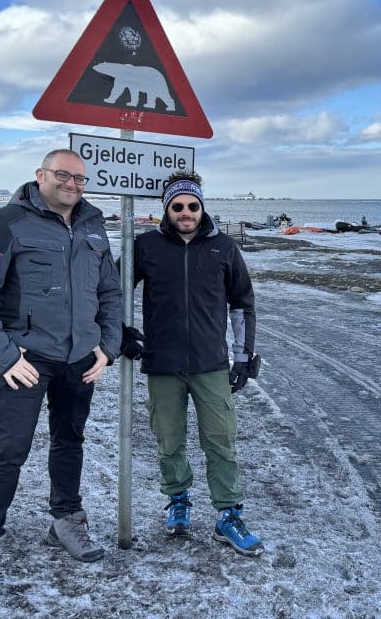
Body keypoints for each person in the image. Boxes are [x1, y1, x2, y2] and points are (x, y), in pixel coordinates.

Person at [0, 149, 122, 603]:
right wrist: (5, 358)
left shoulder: (93, 225)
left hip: (80, 359)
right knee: (9, 451)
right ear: (40, 175)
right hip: (25, 360)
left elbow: (109, 291)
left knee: (71, 442)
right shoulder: (3, 222)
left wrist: (108, 347)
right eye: (63, 175)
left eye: (80, 178)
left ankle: (65, 520)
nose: (72, 184)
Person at [123, 171, 264, 556]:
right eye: (178, 206)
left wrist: (244, 357)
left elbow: (242, 305)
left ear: (202, 208)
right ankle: (179, 500)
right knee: (168, 440)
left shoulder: (223, 248)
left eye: (193, 206)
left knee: (220, 441)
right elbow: (114, 290)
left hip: (211, 364)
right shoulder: (146, 245)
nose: (186, 212)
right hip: (162, 363)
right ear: (167, 209)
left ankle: (228, 515)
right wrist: (118, 331)